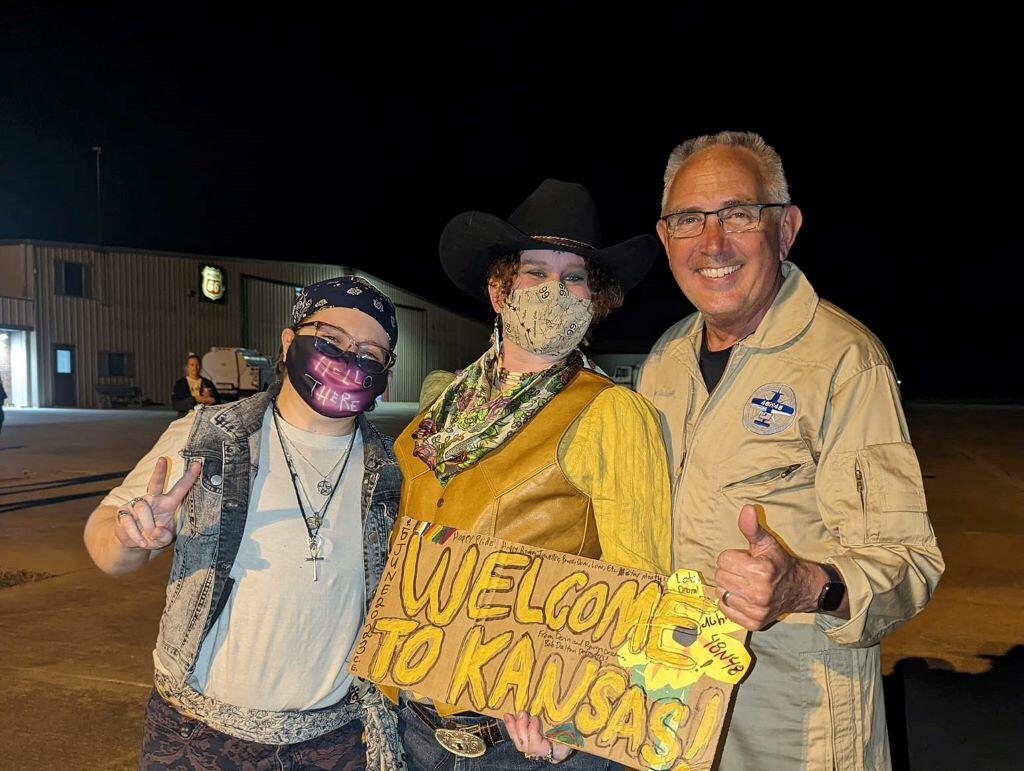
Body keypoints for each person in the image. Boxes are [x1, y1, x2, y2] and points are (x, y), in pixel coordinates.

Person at [637, 131, 945, 770]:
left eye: (739, 216)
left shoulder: (843, 362)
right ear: (665, 237)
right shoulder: (661, 363)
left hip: (795, 726)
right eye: (689, 220)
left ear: (786, 228)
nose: (712, 243)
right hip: (674, 713)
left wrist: (806, 584)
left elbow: (909, 565)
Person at [391, 179, 673, 769]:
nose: (557, 290)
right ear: (499, 291)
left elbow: (639, 581)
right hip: (410, 717)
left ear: (593, 299)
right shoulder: (444, 404)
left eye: (575, 277)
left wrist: (582, 713)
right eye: (536, 272)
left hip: (520, 738)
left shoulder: (612, 412)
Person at [83, 276, 405, 770]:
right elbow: (105, 541)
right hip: (199, 736)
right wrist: (131, 538)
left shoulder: (396, 470)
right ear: (287, 340)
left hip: (336, 741)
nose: (349, 358)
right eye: (332, 339)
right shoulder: (206, 437)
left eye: (370, 352)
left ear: (386, 370)